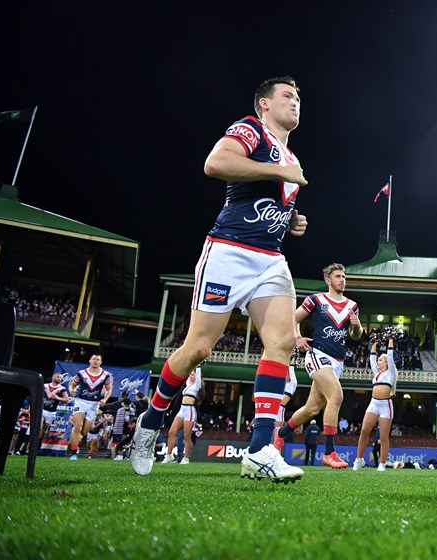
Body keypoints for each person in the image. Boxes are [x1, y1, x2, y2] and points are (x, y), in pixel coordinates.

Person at [128, 76, 308, 483]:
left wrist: (291, 220)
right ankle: (151, 421)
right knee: (198, 348)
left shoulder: (289, 154)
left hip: (270, 259)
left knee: (281, 342)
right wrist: (278, 169)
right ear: (264, 104)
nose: (296, 102)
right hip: (228, 253)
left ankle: (260, 450)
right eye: (287, 96)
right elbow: (216, 163)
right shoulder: (249, 128)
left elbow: (266, 198)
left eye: (298, 98)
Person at [275, 263, 363, 469]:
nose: (343, 279)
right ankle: (329, 453)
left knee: (312, 409)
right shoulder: (315, 300)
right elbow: (292, 319)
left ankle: (279, 435)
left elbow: (355, 336)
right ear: (328, 281)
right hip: (318, 355)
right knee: (337, 396)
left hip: (338, 362)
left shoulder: (352, 305)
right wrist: (297, 337)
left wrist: (356, 325)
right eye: (338, 276)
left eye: (344, 276)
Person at [353, 332, 397, 472]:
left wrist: (390, 340)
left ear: (386, 363)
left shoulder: (390, 373)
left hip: (385, 405)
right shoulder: (376, 374)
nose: (378, 362)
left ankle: (382, 464)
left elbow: (390, 355)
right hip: (373, 403)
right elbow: (371, 359)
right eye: (378, 360)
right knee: (364, 431)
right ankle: (359, 460)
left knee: (383, 437)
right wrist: (374, 344)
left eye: (380, 360)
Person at [67, 354, 113, 460]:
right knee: (77, 426)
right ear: (89, 361)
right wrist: (71, 390)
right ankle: (74, 453)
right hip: (81, 402)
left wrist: (104, 400)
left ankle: (75, 441)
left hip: (94, 404)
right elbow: (71, 385)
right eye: (93, 359)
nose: (95, 361)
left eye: (98, 359)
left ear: (100, 362)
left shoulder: (106, 375)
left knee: (84, 432)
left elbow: (109, 389)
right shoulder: (82, 373)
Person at [162, 367, 203, 465]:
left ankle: (186, 458)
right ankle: (169, 456)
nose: (191, 376)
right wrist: (192, 365)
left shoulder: (197, 386)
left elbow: (198, 373)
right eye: (191, 374)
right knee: (171, 432)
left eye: (193, 374)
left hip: (190, 410)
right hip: (182, 409)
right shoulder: (188, 385)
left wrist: (198, 366)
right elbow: (187, 374)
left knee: (187, 436)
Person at [273, 352, 298, 446]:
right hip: (274, 407)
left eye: (286, 374)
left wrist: (293, 358)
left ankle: (275, 449)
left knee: (276, 433)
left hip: (279, 409)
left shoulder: (292, 384)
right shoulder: (282, 384)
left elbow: (291, 368)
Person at [41, 372, 70, 440]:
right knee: (39, 426)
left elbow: (67, 400)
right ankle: (30, 448)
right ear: (53, 377)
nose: (59, 378)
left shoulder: (62, 389)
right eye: (58, 377)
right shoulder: (45, 386)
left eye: (60, 377)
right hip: (42, 410)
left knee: (43, 431)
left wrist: (57, 398)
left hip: (51, 412)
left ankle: (37, 445)